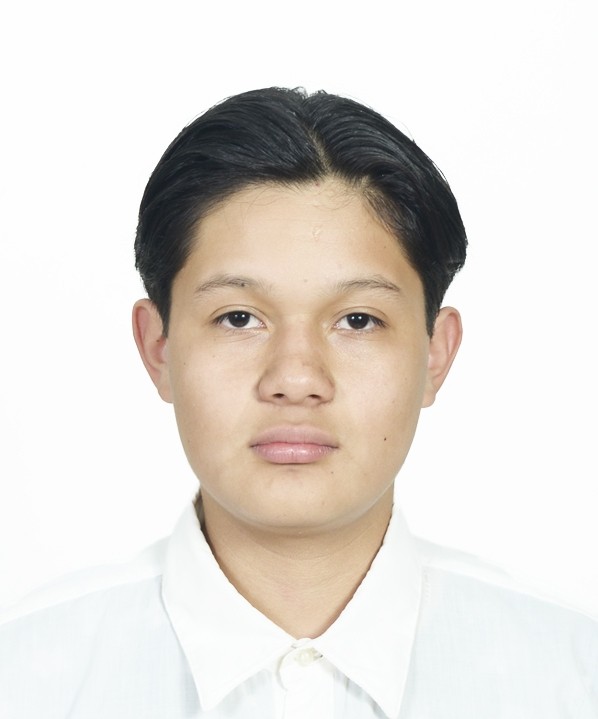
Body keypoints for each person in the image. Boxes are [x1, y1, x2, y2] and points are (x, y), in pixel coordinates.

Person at [0, 87, 596, 717]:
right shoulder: (23, 678)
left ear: (435, 354)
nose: (295, 378)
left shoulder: (573, 678)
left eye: (358, 320)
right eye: (238, 318)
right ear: (158, 348)